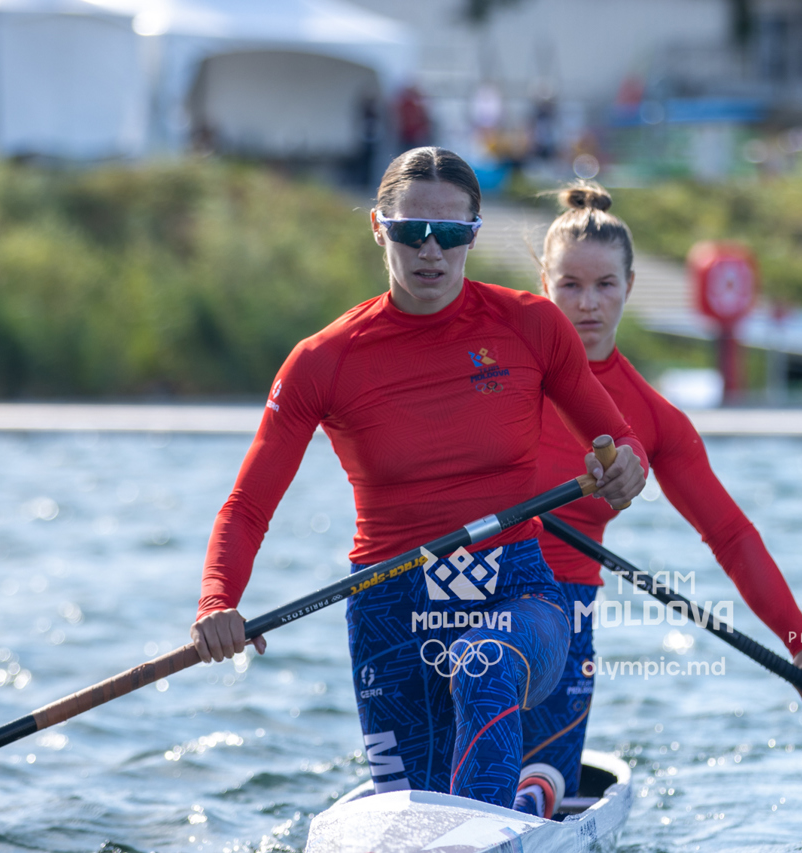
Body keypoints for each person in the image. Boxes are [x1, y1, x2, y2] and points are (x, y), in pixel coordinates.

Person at [189, 149, 649, 811]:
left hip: (519, 593)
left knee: (484, 665)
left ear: (475, 233)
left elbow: (617, 444)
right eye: (411, 231)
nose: (430, 250)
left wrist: (622, 468)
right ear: (379, 227)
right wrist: (216, 601)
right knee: (417, 810)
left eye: (451, 233)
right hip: (390, 611)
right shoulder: (323, 361)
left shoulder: (531, 325)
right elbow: (247, 505)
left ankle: (490, 828)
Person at [514, 182, 802, 818]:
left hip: (567, 617)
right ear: (542, 282)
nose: (587, 304)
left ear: (631, 286)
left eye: (605, 285)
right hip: (464, 592)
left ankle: (529, 801)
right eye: (570, 286)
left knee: (530, 779)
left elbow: (731, 535)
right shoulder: (496, 370)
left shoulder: (652, 417)